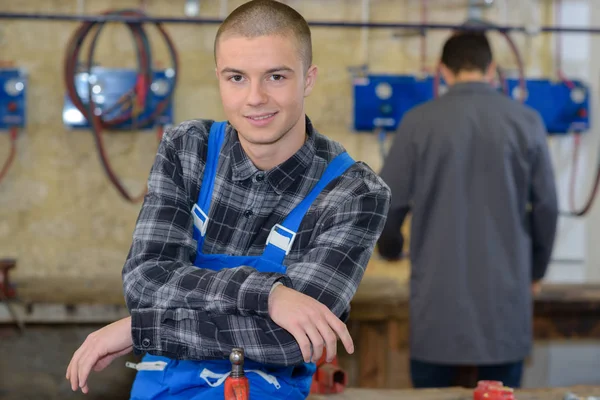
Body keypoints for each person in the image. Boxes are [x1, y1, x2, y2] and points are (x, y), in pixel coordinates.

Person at [65, 1, 391, 399]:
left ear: (308, 79)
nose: (255, 98)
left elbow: (290, 342)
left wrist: (139, 329)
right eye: (237, 77)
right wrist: (268, 295)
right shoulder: (188, 150)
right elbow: (145, 282)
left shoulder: (354, 193)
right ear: (218, 78)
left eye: (275, 76)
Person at [376, 31, 558, 389]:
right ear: (492, 69)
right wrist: (534, 271)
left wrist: (392, 249)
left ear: (442, 70)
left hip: (437, 299)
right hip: (505, 298)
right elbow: (547, 208)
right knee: (503, 393)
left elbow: (388, 202)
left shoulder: (417, 122)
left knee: (431, 395)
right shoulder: (527, 121)